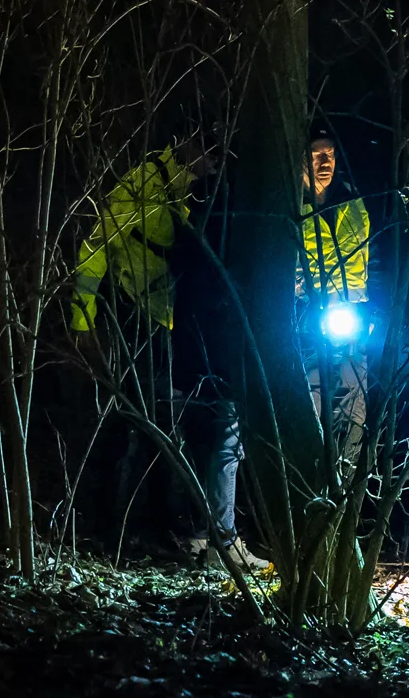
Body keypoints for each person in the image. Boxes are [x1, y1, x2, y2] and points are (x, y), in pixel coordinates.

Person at [70, 136, 267, 573]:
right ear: (185, 145)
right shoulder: (140, 187)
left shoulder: (202, 189)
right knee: (131, 426)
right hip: (136, 318)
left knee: (172, 427)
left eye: (219, 155)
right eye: (209, 152)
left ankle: (158, 529)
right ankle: (107, 530)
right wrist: (82, 321)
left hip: (178, 325)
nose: (215, 163)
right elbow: (94, 252)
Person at [298, 131, 372, 466]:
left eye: (329, 154)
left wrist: (370, 309)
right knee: (309, 403)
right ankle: (308, 479)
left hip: (351, 320)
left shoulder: (352, 200)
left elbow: (372, 258)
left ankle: (344, 484)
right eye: (317, 155)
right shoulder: (289, 204)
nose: (325, 163)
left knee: (353, 406)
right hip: (306, 321)